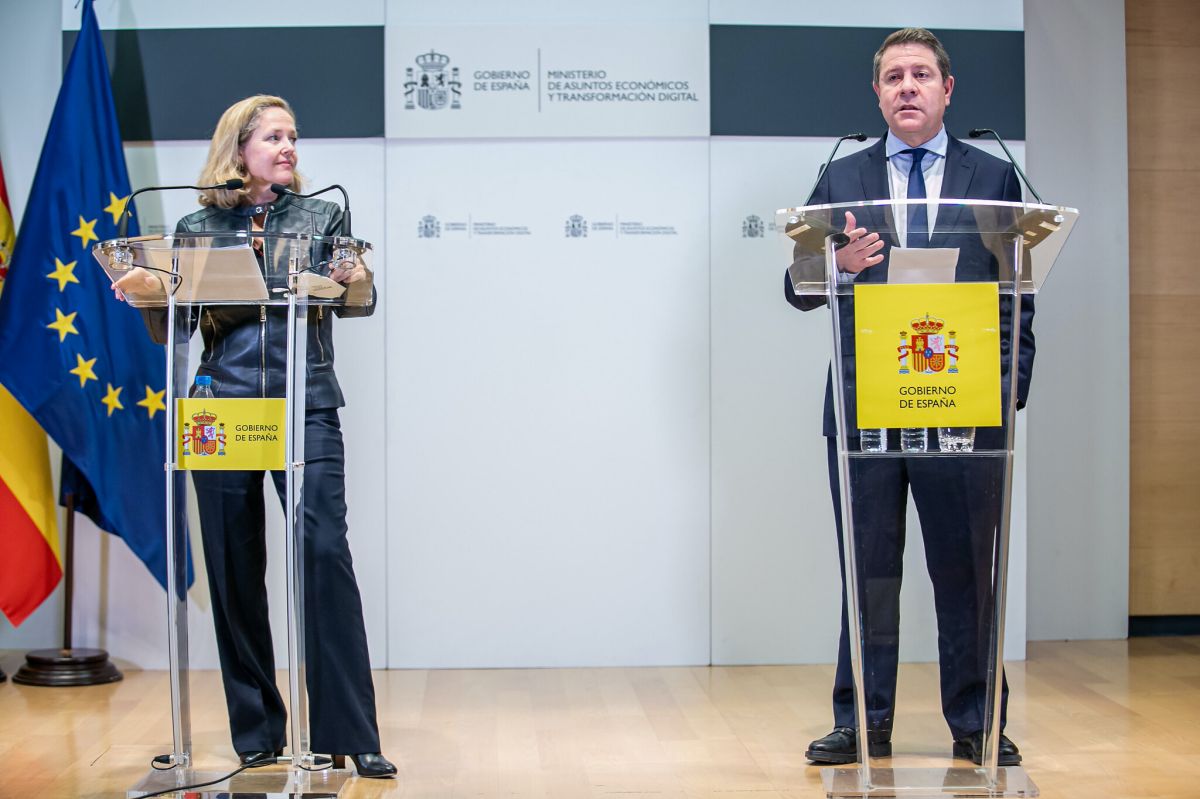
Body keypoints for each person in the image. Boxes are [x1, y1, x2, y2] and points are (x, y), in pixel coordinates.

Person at [113, 95, 395, 778]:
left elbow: (356, 293)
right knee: (235, 567)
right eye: (274, 136)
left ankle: (348, 731)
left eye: (293, 136)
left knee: (324, 550)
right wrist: (152, 289)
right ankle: (258, 731)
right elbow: (179, 327)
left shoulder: (322, 213)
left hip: (307, 402)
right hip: (224, 407)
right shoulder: (195, 222)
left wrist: (355, 275)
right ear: (239, 148)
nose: (290, 147)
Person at [784, 29, 1033, 767]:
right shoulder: (841, 175)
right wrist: (832, 264)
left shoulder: (991, 177)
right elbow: (796, 286)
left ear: (947, 90)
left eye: (921, 74)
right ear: (877, 93)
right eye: (893, 76)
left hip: (962, 404)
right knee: (869, 572)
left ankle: (976, 722)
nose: (907, 87)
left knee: (966, 572)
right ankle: (862, 719)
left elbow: (1020, 292)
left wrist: (1009, 383)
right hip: (867, 407)